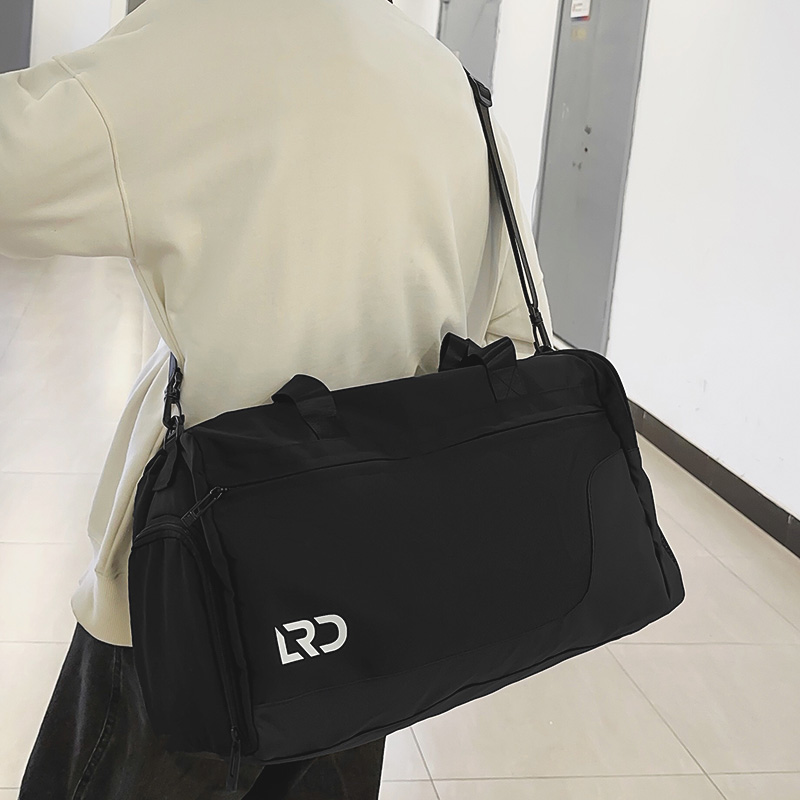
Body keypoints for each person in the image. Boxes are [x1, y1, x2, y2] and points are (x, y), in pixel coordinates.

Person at [0, 0, 553, 797]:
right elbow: (519, 332)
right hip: (380, 588)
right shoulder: (448, 80)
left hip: (199, 577)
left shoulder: (188, 43)